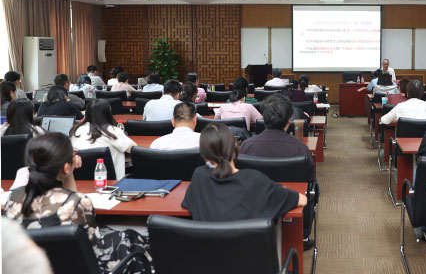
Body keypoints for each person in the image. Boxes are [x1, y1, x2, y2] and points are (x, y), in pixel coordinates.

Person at [3, 133, 151, 272]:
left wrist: (67, 170)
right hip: (79, 267)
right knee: (131, 239)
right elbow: (96, 252)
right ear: (66, 167)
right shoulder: (77, 203)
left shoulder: (14, 197)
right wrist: (69, 173)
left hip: (36, 267)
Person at [182, 123, 307, 223]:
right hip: (252, 249)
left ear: (204, 155)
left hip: (208, 248)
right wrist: (278, 189)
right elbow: (302, 200)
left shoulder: (199, 177)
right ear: (236, 146)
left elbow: (188, 204)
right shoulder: (256, 180)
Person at [240, 93, 315, 181]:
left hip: (256, 189)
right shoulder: (301, 149)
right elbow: (310, 180)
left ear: (263, 119)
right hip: (290, 190)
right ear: (288, 121)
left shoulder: (246, 146)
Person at [69, 99, 136, 179]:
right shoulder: (112, 131)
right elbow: (134, 150)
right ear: (108, 114)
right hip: (110, 183)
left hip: (80, 182)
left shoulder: (76, 130)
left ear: (87, 113)